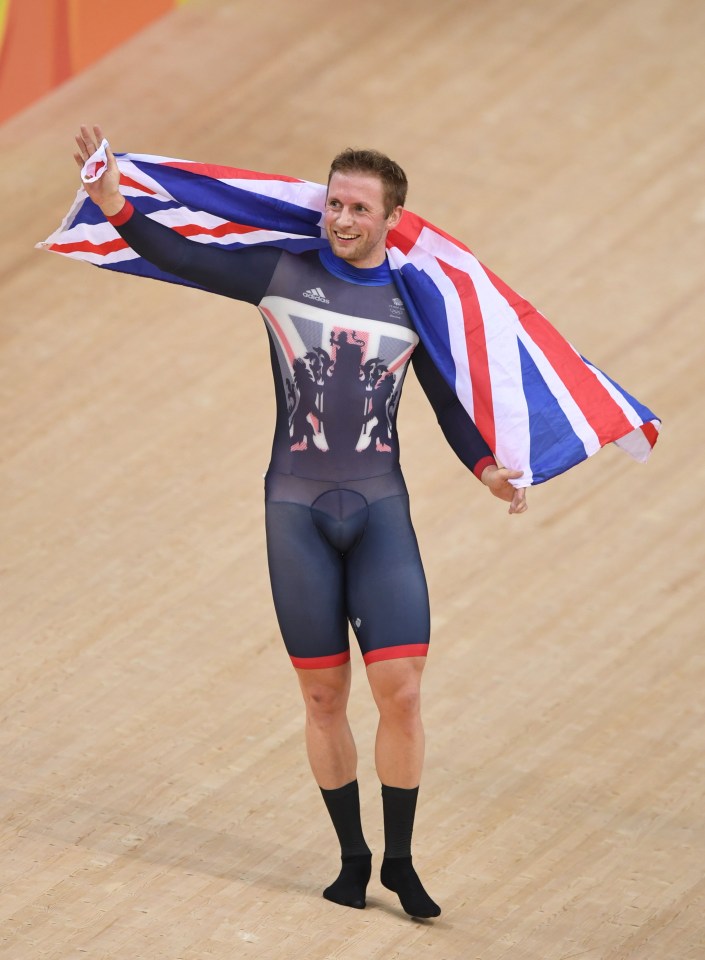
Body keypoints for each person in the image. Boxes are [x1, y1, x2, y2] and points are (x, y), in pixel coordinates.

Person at [73, 124, 528, 919]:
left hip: (379, 509)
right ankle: (351, 860)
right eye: (333, 202)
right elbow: (186, 258)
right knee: (323, 700)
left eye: (358, 207)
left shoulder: (412, 298)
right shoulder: (281, 272)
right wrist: (114, 202)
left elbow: (447, 400)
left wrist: (485, 467)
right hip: (295, 510)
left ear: (392, 218)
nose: (340, 218)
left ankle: (400, 861)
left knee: (403, 693)